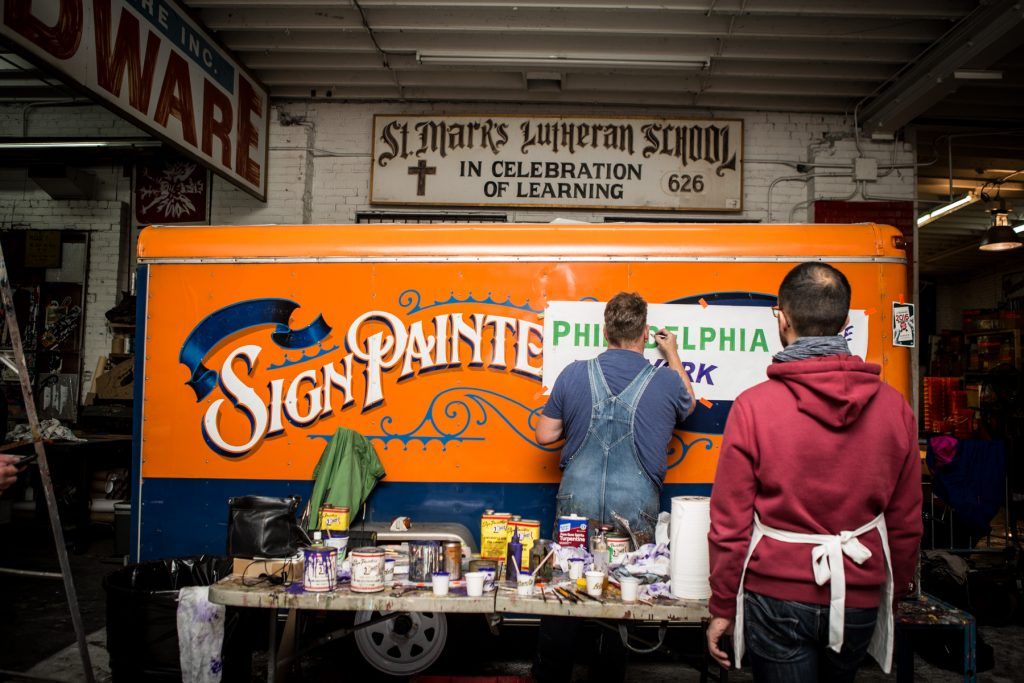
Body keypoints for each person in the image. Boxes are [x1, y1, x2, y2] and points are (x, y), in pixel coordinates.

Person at [706, 262, 922, 682]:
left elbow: (729, 524)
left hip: (776, 596)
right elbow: (907, 523)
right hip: (859, 595)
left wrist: (723, 607)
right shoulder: (895, 407)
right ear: (844, 322)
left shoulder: (753, 406)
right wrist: (888, 598)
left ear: (782, 318)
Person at [533, 291, 695, 682]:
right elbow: (688, 402)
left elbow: (544, 435)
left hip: (576, 510)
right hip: (634, 514)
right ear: (643, 333)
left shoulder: (574, 374)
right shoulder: (665, 382)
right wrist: (672, 352)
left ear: (605, 331)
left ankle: (551, 675)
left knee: (565, 595)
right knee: (623, 599)